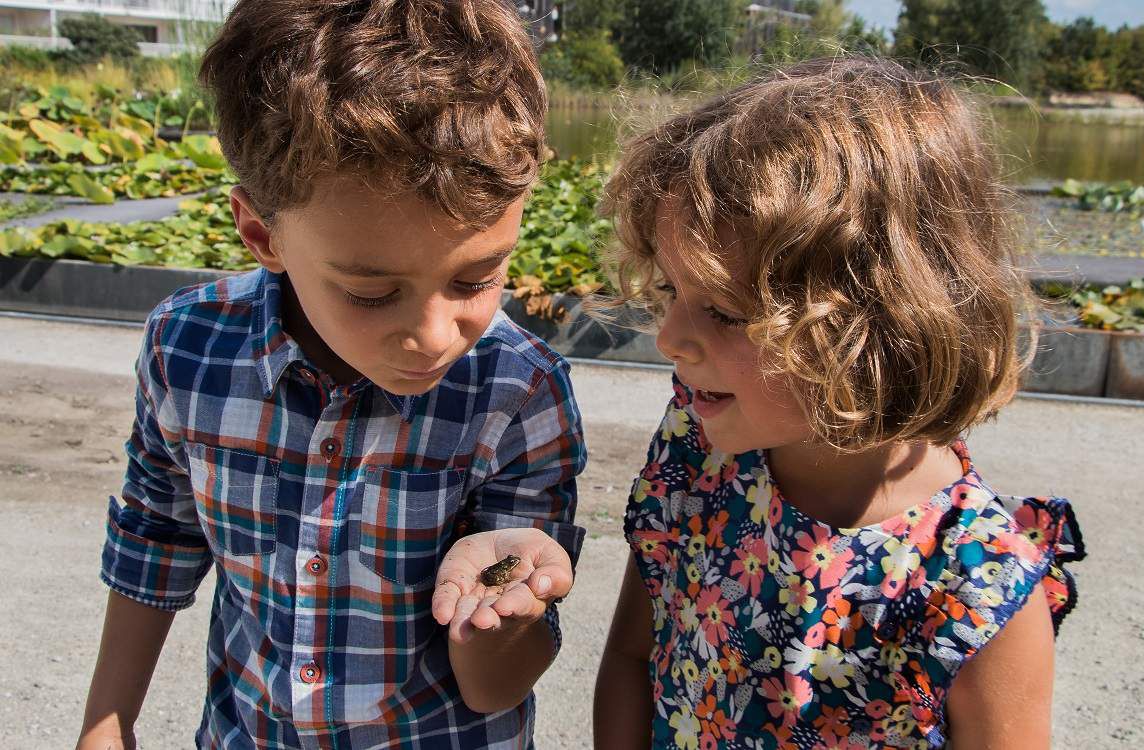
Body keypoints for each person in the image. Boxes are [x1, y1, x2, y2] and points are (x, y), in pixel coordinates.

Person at [76, 1, 586, 747]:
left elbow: (493, 685)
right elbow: (157, 537)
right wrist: (104, 727)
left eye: (477, 279)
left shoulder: (519, 390)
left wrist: (504, 606)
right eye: (372, 293)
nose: (433, 335)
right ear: (261, 233)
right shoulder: (186, 350)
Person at [593, 57, 1084, 750]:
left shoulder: (975, 589)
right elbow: (631, 657)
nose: (670, 339)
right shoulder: (701, 450)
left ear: (875, 327)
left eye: (725, 313)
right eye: (671, 291)